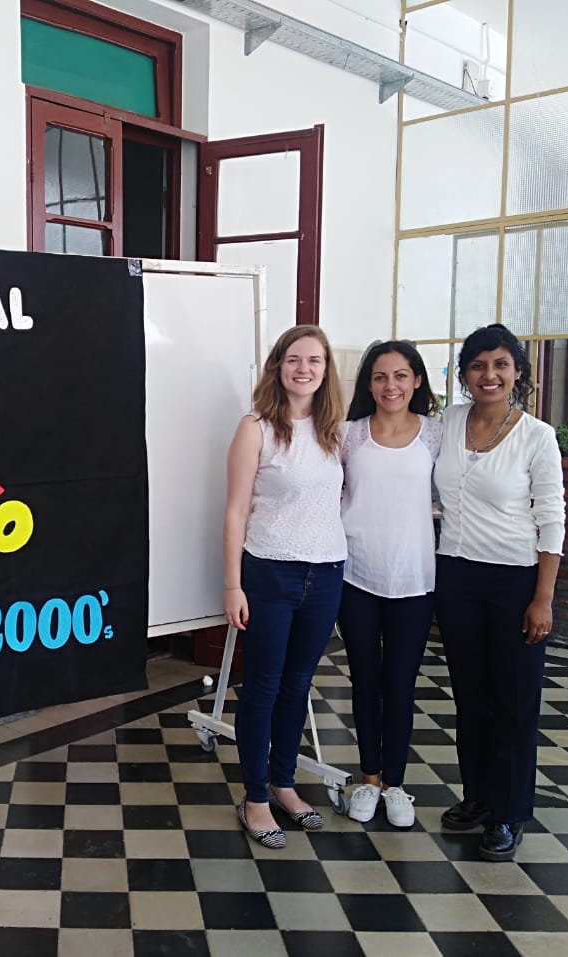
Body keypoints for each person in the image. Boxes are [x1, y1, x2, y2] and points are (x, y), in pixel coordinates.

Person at [433, 323, 564, 862]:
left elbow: (551, 519)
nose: (489, 375)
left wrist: (542, 597)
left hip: (514, 579)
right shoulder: (449, 422)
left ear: (517, 372)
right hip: (455, 575)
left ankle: (509, 812)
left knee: (513, 700)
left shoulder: (536, 435)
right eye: (478, 365)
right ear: (464, 374)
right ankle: (478, 795)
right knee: (470, 695)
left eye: (500, 365)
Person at [223, 325, 346, 850]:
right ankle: (254, 797)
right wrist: (232, 585)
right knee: (264, 688)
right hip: (270, 573)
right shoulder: (256, 428)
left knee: (298, 686)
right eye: (294, 359)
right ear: (278, 366)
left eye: (314, 360)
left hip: (326, 574)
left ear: (325, 370)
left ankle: (284, 783)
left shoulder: (334, 430)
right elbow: (235, 511)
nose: (304, 369)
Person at [338, 341, 442, 829]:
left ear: (417, 380)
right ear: (368, 383)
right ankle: (370, 779)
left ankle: (396, 784)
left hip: (414, 578)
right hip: (355, 575)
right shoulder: (349, 435)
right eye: (380, 377)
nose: (391, 386)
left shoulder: (436, 435)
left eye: (401, 376)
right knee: (365, 679)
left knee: (400, 683)